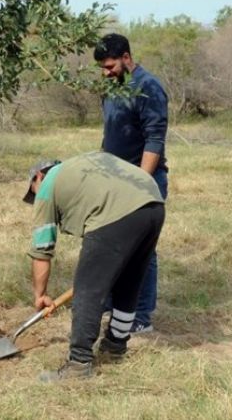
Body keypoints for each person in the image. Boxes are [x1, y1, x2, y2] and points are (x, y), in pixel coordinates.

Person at [21, 152, 165, 381]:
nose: (35, 199)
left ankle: (78, 364)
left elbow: (42, 250)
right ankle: (116, 345)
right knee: (129, 281)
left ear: (38, 177)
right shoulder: (81, 166)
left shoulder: (47, 186)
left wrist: (40, 295)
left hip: (116, 212)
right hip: (153, 202)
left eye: (33, 192)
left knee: (88, 289)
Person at [94, 33, 169, 334]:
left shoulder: (148, 87)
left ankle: (141, 317)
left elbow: (154, 139)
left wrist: (139, 182)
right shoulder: (112, 87)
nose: (106, 72)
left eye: (110, 66)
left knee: (142, 250)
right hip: (113, 179)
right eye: (102, 67)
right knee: (112, 245)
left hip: (143, 181)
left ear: (127, 57)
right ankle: (113, 305)